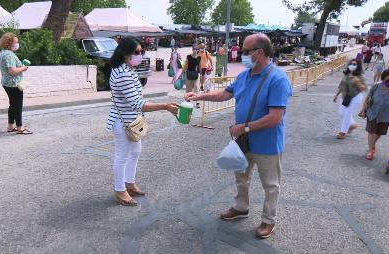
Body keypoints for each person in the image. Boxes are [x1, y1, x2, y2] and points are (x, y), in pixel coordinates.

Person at [185, 34, 292, 239]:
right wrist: (199, 96)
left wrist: (244, 128)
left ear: (259, 53)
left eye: (245, 51)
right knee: (241, 177)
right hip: (244, 142)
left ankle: (269, 221)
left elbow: (275, 117)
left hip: (267, 143)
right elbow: (225, 94)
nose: (241, 54)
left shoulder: (278, 79)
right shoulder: (245, 75)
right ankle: (241, 207)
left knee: (270, 185)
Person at [106, 37, 179, 206]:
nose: (140, 55)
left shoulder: (127, 68)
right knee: (122, 155)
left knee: (135, 151)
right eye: (136, 52)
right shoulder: (123, 74)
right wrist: (165, 106)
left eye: (142, 51)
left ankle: (129, 183)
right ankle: (120, 190)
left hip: (131, 119)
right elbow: (138, 104)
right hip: (123, 121)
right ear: (125, 53)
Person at [359, 69, 389, 160]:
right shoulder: (376, 86)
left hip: (386, 115)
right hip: (373, 113)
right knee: (371, 132)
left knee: (379, 133)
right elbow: (368, 98)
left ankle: (372, 144)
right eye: (387, 80)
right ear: (383, 79)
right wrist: (363, 109)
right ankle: (370, 150)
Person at [0, 32, 32, 135]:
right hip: (13, 84)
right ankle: (20, 128)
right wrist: (23, 68)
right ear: (9, 43)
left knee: (12, 105)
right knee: (17, 105)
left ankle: (10, 126)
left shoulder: (3, 52)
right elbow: (12, 71)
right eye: (16, 42)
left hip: (7, 83)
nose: (17, 44)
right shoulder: (9, 55)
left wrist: (20, 67)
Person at [333, 59, 367, 139]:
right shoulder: (346, 74)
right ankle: (352, 125)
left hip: (355, 97)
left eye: (354, 64)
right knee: (342, 112)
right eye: (351, 64)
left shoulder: (360, 76)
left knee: (347, 113)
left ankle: (343, 132)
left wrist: (357, 81)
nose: (352, 65)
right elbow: (341, 85)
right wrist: (336, 95)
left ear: (358, 66)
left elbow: (364, 88)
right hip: (345, 97)